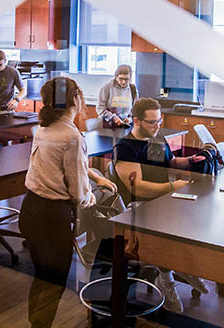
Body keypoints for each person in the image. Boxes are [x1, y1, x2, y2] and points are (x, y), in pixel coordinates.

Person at [19, 77, 113, 328]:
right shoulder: (72, 137)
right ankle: (41, 324)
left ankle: (36, 323)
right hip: (52, 217)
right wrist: (92, 193)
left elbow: (53, 167)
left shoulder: (44, 129)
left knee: (42, 276)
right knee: (56, 280)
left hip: (30, 209)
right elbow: (78, 193)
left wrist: (90, 174)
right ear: (74, 100)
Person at [113, 97, 209, 312]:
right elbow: (136, 187)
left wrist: (191, 161)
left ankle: (184, 266)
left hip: (163, 200)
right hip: (137, 207)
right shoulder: (125, 147)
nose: (158, 125)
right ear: (136, 121)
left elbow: (171, 162)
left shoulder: (157, 138)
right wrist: (173, 187)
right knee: (170, 227)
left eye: (159, 120)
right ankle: (167, 279)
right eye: (152, 122)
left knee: (197, 216)